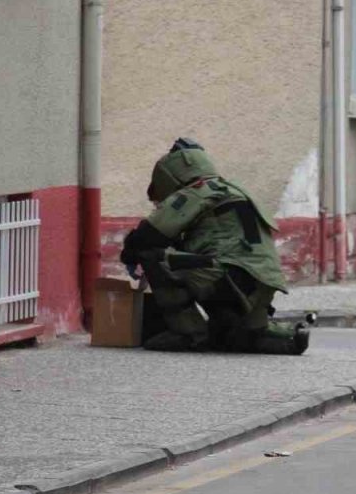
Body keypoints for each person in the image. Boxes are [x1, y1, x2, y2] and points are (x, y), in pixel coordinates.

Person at [120, 138, 311, 355]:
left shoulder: (198, 190)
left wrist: (130, 255)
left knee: (151, 255)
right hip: (260, 285)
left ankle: (188, 333)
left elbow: (148, 235)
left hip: (229, 279)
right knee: (243, 338)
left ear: (170, 175)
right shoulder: (231, 190)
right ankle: (288, 338)